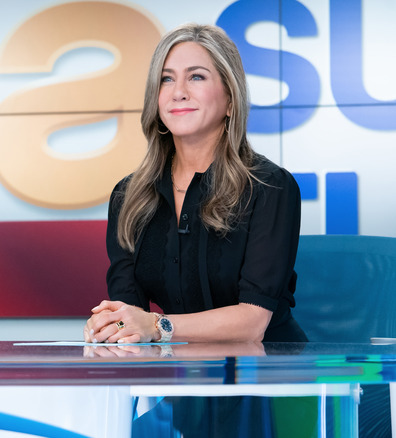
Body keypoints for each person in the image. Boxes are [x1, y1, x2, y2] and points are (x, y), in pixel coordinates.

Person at [85, 23, 307, 345]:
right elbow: (130, 312)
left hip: (270, 376)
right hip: (182, 374)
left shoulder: (270, 187)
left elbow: (252, 322)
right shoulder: (128, 196)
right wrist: (111, 325)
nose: (179, 92)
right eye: (167, 79)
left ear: (231, 100)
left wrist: (158, 326)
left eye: (197, 76)